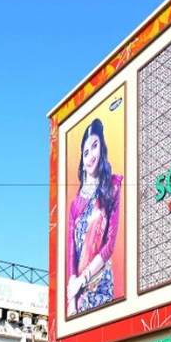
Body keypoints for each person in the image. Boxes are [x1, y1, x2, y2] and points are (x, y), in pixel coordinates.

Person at [66, 118, 123, 316]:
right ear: (82, 161)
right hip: (78, 294)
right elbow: (71, 254)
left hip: (101, 286)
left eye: (95, 146)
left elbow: (109, 246)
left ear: (102, 149)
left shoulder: (112, 188)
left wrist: (84, 279)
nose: (90, 156)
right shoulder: (75, 205)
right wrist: (72, 300)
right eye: (85, 152)